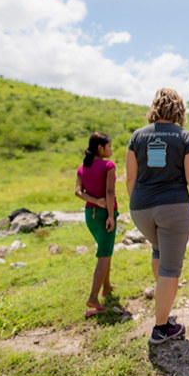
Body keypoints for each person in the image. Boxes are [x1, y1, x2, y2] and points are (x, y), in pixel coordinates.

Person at [126, 88, 189, 344]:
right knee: (171, 269)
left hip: (141, 207)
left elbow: (130, 177)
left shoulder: (137, 136)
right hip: (173, 207)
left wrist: (136, 202)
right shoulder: (185, 137)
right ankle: (161, 328)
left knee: (158, 251)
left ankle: (164, 309)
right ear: (179, 110)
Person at [75, 132, 118, 317]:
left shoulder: (82, 167)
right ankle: (93, 297)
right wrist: (109, 214)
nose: (111, 149)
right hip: (103, 214)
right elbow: (109, 191)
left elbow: (78, 192)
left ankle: (106, 287)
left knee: (104, 250)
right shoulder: (109, 165)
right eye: (109, 146)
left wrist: (93, 200)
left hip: (89, 215)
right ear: (100, 148)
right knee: (104, 254)